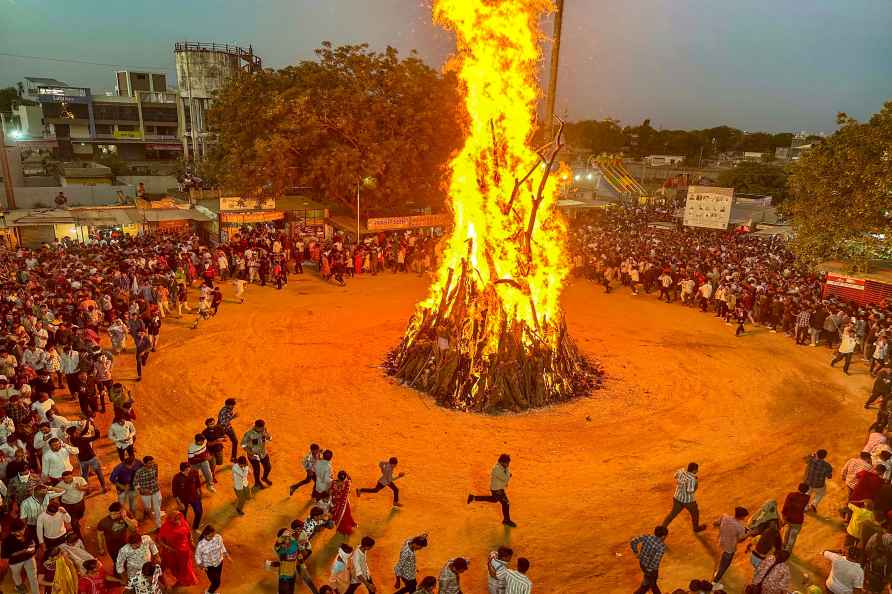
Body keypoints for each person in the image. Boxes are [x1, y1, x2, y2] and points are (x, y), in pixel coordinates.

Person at [467, 454, 515, 527]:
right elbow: (506, 478)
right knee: (506, 503)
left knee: (494, 500)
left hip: (497, 488)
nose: (508, 465)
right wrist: (508, 474)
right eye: (507, 463)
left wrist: (507, 473)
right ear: (502, 462)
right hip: (497, 490)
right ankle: (506, 520)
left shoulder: (503, 467)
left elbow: (507, 474)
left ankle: (473, 497)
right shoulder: (496, 469)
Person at [156, 510, 198, 587]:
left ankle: (182, 580)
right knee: (173, 567)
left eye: (179, 517)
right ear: (170, 519)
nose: (178, 520)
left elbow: (189, 532)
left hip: (184, 551)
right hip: (172, 552)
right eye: (175, 518)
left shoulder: (183, 522)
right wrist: (167, 547)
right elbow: (160, 540)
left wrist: (191, 541)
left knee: (184, 566)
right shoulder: (165, 527)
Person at [661, 462, 707, 533]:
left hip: (677, 498)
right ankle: (696, 528)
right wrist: (696, 485)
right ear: (694, 470)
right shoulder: (692, 480)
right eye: (696, 470)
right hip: (688, 501)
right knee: (695, 513)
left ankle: (661, 529)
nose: (697, 471)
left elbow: (675, 476)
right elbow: (690, 491)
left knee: (672, 514)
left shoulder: (681, 471)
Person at [712, 506, 749, 586]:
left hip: (722, 543)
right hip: (729, 549)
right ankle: (715, 582)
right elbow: (741, 539)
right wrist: (748, 533)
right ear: (742, 516)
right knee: (724, 566)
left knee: (722, 560)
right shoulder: (740, 527)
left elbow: (715, 523)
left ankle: (717, 575)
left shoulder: (724, 517)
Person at [96, 502, 137, 573]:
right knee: (116, 561)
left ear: (120, 512)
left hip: (125, 543)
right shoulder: (103, 522)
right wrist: (101, 548)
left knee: (128, 559)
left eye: (115, 514)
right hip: (112, 546)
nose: (112, 515)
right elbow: (99, 535)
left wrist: (125, 517)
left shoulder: (126, 517)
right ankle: (117, 573)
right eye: (110, 513)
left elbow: (134, 529)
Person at [2, 518, 39, 594]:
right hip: (15, 562)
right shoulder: (7, 541)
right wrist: (23, 551)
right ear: (13, 532)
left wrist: (33, 547)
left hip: (29, 557)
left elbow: (33, 541)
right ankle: (21, 590)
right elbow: (7, 555)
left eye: (22, 529)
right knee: (17, 576)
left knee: (33, 578)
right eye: (18, 531)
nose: (21, 532)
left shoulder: (28, 531)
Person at [630, 526, 668, 594]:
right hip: (651, 570)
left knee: (647, 581)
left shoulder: (647, 537)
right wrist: (650, 570)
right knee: (653, 585)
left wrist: (636, 552)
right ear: (663, 536)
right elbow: (655, 562)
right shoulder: (661, 547)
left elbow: (633, 541)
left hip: (642, 564)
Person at [194, 525, 228, 594]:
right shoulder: (201, 545)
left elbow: (222, 545)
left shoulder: (218, 537)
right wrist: (201, 565)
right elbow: (197, 556)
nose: (212, 538)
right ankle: (208, 592)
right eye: (210, 536)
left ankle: (211, 591)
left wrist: (225, 553)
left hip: (219, 562)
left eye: (213, 535)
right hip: (209, 567)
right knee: (216, 582)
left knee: (217, 579)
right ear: (204, 535)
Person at [241, 419, 272, 488]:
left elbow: (270, 438)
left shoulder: (264, 430)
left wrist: (267, 436)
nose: (263, 429)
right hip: (253, 456)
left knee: (268, 467)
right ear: (256, 427)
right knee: (257, 470)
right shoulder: (249, 434)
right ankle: (257, 483)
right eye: (262, 428)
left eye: (264, 427)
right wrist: (250, 452)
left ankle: (264, 478)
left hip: (263, 453)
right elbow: (243, 445)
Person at [133, 456, 162, 528]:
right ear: (144, 463)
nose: (151, 464)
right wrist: (142, 490)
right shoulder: (139, 472)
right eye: (149, 463)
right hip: (145, 494)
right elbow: (135, 483)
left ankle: (158, 525)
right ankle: (148, 512)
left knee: (157, 506)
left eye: (152, 462)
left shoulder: (155, 466)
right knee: (148, 507)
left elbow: (156, 475)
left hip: (155, 489)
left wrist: (155, 481)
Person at [781, 482, 811, 551]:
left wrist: (784, 516)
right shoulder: (807, 498)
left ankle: (784, 545)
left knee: (787, 531)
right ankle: (788, 550)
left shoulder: (791, 495)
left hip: (788, 518)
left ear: (798, 488)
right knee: (793, 536)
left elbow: (785, 507)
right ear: (807, 491)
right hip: (798, 520)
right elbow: (805, 509)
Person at [331, 470, 357, 535]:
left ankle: (340, 528)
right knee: (346, 514)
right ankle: (346, 527)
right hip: (344, 503)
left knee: (339, 515)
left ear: (338, 476)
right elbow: (350, 480)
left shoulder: (333, 483)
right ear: (344, 477)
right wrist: (347, 476)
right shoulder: (346, 483)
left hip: (336, 502)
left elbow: (331, 491)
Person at [218, 398, 239, 462]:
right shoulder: (223, 411)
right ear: (227, 405)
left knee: (235, 441)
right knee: (218, 443)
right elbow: (222, 422)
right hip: (222, 429)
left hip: (228, 427)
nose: (233, 406)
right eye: (232, 405)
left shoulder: (230, 409)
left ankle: (233, 458)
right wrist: (233, 417)